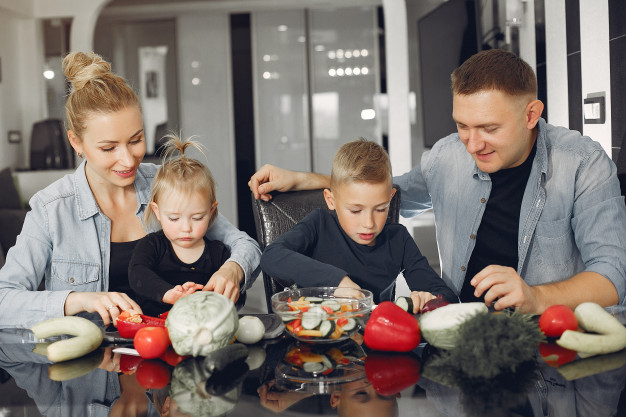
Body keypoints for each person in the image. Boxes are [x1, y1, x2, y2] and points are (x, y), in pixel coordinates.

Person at [250, 49, 626, 314]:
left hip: (547, 342)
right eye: (462, 125)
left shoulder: (583, 165)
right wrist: (307, 179)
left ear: (531, 114)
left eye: (489, 128)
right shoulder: (447, 156)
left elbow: (614, 277)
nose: (473, 144)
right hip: (458, 328)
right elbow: (388, 192)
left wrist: (537, 297)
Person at [0, 51, 260, 329]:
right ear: (76, 142)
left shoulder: (165, 183)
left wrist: (233, 270)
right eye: (109, 148)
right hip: (93, 364)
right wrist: (78, 300)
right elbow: (5, 301)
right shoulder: (51, 208)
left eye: (136, 140)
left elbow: (246, 246)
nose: (127, 160)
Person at [260, 139, 456, 310]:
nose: (369, 224)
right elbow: (272, 256)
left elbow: (446, 297)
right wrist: (338, 282)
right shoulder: (319, 224)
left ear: (390, 198)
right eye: (355, 211)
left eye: (380, 209)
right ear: (331, 200)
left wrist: (429, 299)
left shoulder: (399, 239)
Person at [128, 135, 231, 316]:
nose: (186, 228)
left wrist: (205, 295)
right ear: (157, 211)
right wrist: (169, 294)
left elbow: (230, 296)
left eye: (197, 218)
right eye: (174, 219)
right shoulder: (152, 245)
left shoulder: (219, 253)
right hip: (155, 330)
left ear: (212, 210)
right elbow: (138, 275)